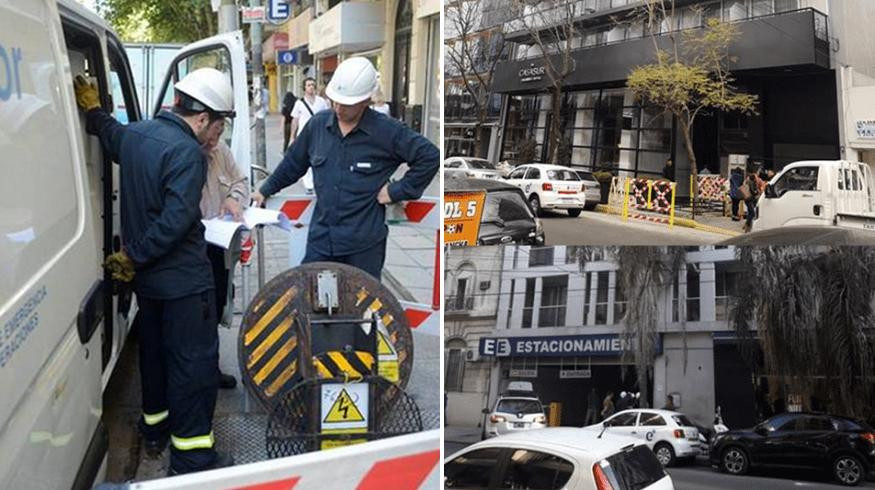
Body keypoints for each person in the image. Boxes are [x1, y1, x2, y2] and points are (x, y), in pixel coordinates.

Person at [74, 68, 235, 475]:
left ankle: (155, 430)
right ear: (201, 119)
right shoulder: (187, 154)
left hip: (149, 286)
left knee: (155, 357)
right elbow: (177, 220)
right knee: (192, 367)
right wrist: (134, 255)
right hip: (184, 284)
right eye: (217, 127)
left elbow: (107, 132)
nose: (216, 138)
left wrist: (93, 111)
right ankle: (192, 458)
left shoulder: (136, 136)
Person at [252, 57, 439, 280]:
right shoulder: (319, 126)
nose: (338, 108)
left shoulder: (387, 131)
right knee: (309, 300)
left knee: (360, 309)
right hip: (322, 241)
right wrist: (265, 189)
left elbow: (430, 157)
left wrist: (396, 191)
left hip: (363, 247)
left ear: (366, 101)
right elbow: (293, 164)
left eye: (346, 104)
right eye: (334, 101)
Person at [200, 130, 249, 390]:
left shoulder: (221, 151)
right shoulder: (183, 151)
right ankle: (199, 371)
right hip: (192, 247)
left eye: (220, 132)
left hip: (219, 244)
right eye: (211, 133)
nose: (214, 139)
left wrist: (233, 197)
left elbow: (240, 180)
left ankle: (211, 366)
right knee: (197, 310)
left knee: (218, 302)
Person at [289, 77, 330, 194]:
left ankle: (316, 181)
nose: (311, 87)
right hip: (304, 134)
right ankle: (308, 185)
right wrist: (292, 136)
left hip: (320, 134)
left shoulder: (321, 101)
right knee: (305, 157)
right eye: (308, 85)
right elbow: (295, 120)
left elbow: (327, 116)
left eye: (312, 85)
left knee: (318, 157)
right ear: (304, 88)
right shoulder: (299, 103)